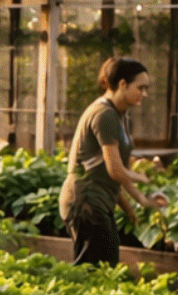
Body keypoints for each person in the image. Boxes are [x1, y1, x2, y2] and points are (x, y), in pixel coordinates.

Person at [59, 56, 167, 268]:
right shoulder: (104, 114)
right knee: (96, 270)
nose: (144, 94)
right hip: (84, 201)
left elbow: (115, 176)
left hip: (98, 201)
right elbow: (116, 171)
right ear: (123, 84)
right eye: (140, 87)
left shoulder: (120, 116)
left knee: (103, 267)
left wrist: (138, 203)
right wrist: (141, 177)